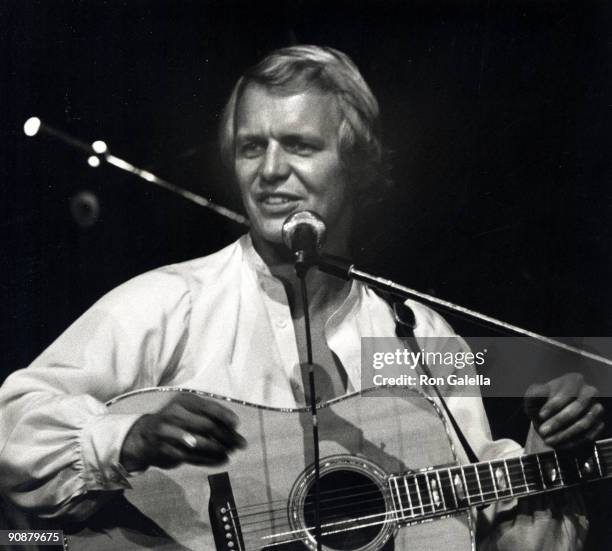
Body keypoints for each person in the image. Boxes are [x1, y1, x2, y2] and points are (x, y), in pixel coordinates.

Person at [0, 45, 604, 549]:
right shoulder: (172, 302)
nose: (269, 170)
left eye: (299, 145)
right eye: (250, 146)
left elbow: (477, 516)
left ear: (356, 164)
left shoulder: (415, 333)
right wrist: (125, 439)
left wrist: (548, 451)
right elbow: (14, 422)